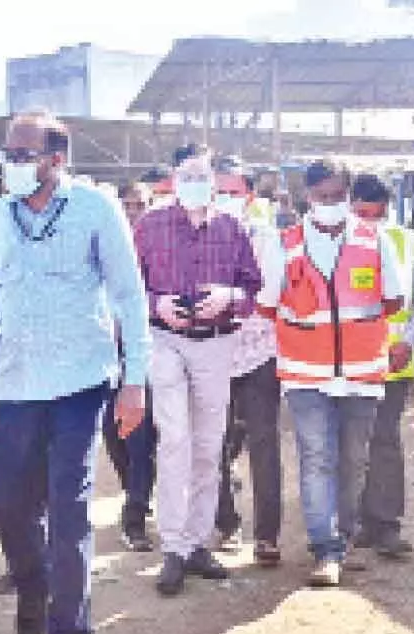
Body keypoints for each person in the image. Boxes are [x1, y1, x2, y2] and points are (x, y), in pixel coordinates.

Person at [0, 112, 150, 634]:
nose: (11, 164)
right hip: (15, 388)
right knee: (12, 508)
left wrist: (134, 380)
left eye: (23, 154)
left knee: (69, 508)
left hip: (80, 384)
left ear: (56, 159)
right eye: (8, 153)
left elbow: (129, 297)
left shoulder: (97, 210)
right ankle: (31, 583)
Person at [257, 159, 403, 587]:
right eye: (322, 197)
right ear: (307, 197)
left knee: (354, 460)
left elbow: (391, 300)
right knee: (317, 459)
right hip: (306, 375)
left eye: (338, 197)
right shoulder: (285, 245)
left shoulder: (375, 242)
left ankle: (344, 535)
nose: (330, 204)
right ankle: (327, 548)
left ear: (349, 197)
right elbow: (267, 304)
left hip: (360, 373)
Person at [134, 144, 263, 597]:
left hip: (216, 343)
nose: (194, 183)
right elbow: (128, 289)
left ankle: (196, 541)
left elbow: (253, 288)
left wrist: (228, 297)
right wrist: (158, 304)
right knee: (175, 439)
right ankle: (173, 545)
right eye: (185, 175)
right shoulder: (149, 225)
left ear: (213, 180)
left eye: (201, 175)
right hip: (165, 341)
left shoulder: (232, 228)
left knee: (209, 445)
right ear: (173, 179)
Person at [351, 174, 414, 560]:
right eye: (364, 213)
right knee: (347, 444)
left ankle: (384, 524)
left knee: (383, 439)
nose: (372, 220)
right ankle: (351, 523)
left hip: (393, 362)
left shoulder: (406, 240)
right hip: (345, 363)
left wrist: (409, 341)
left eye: (378, 213)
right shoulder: (332, 242)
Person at [211, 163, 284, 566]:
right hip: (213, 352)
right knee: (214, 442)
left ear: (249, 197)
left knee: (263, 444)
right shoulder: (197, 237)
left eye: (233, 191)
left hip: (258, 353)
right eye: (218, 190)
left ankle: (267, 535)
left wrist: (225, 300)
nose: (224, 198)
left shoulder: (265, 238)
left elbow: (268, 294)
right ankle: (226, 522)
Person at [102, 180, 158, 553]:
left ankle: (135, 515)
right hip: (103, 355)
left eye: (141, 204)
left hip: (143, 353)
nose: (134, 210)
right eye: (128, 204)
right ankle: (133, 490)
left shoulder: (156, 248)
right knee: (112, 434)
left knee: (140, 438)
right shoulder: (102, 246)